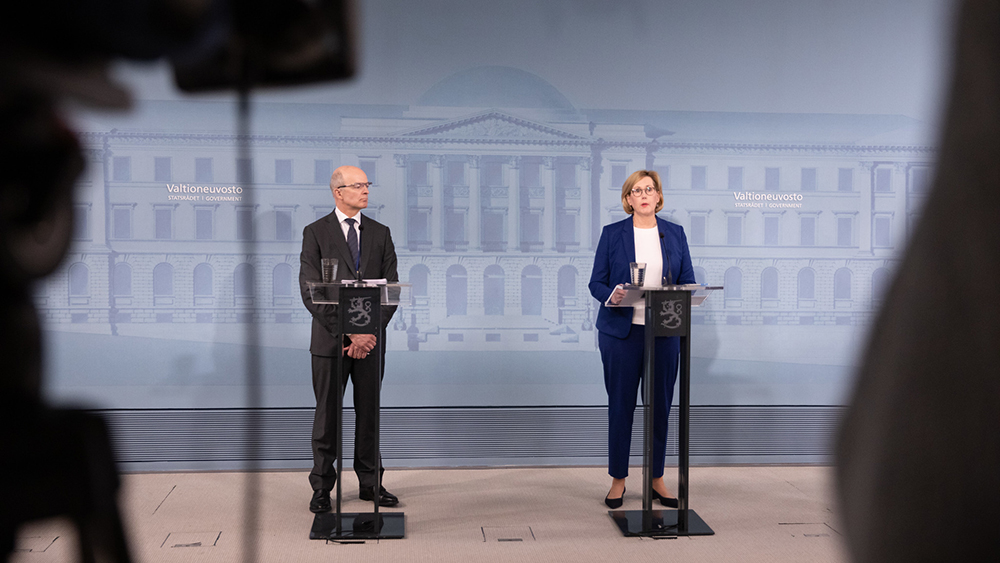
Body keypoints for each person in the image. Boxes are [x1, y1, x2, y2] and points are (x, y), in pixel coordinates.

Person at [588, 170, 695, 508]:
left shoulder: (674, 234)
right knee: (621, 406)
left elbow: (688, 279)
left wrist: (680, 292)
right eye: (637, 190)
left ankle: (657, 478)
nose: (644, 194)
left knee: (660, 407)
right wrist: (614, 295)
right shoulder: (612, 234)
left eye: (650, 189)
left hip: (664, 331)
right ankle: (618, 479)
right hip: (621, 332)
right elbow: (596, 283)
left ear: (659, 197)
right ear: (628, 199)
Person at [299, 165, 399, 512]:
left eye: (367, 185)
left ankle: (371, 484)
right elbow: (311, 293)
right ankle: (322, 488)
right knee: (327, 417)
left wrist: (367, 334)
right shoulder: (315, 233)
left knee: (369, 415)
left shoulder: (380, 233)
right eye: (358, 186)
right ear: (338, 192)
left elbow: (392, 292)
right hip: (330, 343)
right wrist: (349, 332)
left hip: (371, 344)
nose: (366, 191)